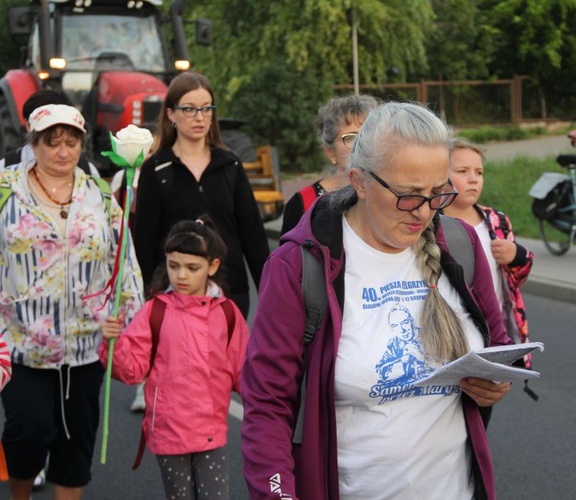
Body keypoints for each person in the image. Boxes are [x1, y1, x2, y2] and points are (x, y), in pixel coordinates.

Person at [241, 102, 512, 499]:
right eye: (407, 195)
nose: (424, 212)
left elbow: (498, 344)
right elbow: (267, 406)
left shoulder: (461, 244)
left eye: (438, 193)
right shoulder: (297, 267)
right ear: (360, 181)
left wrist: (497, 379)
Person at [0, 104, 143, 500]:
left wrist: (128, 321)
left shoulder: (98, 193)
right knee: (27, 431)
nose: (62, 152)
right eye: (52, 143)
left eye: (71, 142)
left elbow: (124, 260)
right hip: (20, 345)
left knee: (76, 439)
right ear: (34, 143)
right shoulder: (4, 189)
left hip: (86, 345)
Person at [99, 217, 249, 499]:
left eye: (192, 268)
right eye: (173, 265)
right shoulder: (154, 311)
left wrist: (269, 415)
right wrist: (113, 343)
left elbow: (246, 374)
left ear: (212, 267)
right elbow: (131, 371)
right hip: (168, 432)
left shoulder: (227, 313)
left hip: (211, 430)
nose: (181, 275)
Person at [134, 72, 269, 317]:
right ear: (171, 114)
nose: (200, 117)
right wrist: (146, 297)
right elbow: (145, 241)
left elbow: (253, 235)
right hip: (174, 293)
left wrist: (269, 294)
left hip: (230, 293)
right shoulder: (157, 169)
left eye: (207, 109)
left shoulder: (230, 165)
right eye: (189, 109)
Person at [443, 138, 535, 375]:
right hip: (448, 332)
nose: (473, 178)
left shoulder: (497, 221)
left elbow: (515, 281)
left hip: (491, 331)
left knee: (485, 396)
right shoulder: (431, 222)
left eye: (479, 172)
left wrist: (517, 255)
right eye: (462, 171)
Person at [279, 93, 380, 235]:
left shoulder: (387, 193)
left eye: (367, 135)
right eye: (350, 137)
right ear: (330, 152)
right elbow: (288, 255)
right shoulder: (303, 203)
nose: (361, 143)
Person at [110, 122, 159, 413]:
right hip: (131, 259)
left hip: (159, 260)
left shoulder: (165, 175)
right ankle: (143, 382)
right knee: (140, 324)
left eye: (152, 150)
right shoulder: (122, 178)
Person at [0, 89, 100, 178]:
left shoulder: (88, 171)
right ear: (28, 126)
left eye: (71, 143)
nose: (63, 154)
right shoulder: (5, 169)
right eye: (53, 143)